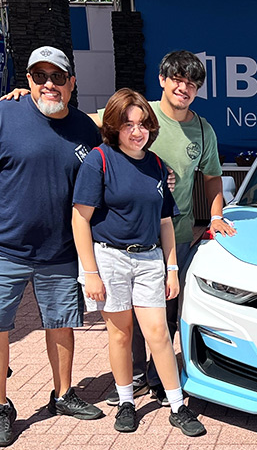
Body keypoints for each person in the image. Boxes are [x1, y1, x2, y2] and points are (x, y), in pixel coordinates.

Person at [3, 50, 236, 404]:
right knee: (126, 320)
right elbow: (70, 114)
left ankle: (160, 379)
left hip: (175, 236)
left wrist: (216, 216)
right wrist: (29, 97)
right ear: (163, 80)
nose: (183, 88)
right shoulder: (138, 112)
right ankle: (137, 377)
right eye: (177, 79)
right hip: (124, 238)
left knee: (164, 315)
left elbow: (213, 179)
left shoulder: (203, 131)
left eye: (192, 83)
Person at [0, 46, 104, 447]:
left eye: (57, 76)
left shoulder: (86, 130)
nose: (48, 84)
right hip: (1, 248)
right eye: (39, 77)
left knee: (61, 324)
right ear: (29, 81)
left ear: (72, 83)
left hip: (60, 251)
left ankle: (63, 394)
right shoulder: (0, 115)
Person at [71, 88, 206, 436]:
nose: (137, 131)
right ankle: (126, 401)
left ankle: (177, 405)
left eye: (143, 123)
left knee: (159, 333)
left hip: (149, 260)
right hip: (110, 258)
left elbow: (165, 223)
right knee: (120, 335)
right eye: (128, 124)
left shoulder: (157, 166)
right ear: (114, 126)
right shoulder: (98, 160)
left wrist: (172, 268)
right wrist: (91, 273)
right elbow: (80, 218)